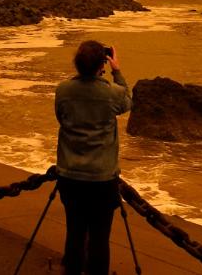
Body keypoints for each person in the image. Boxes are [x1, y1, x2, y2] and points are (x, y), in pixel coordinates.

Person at [54, 41, 132, 275]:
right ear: (103, 63)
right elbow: (128, 101)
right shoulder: (112, 93)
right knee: (100, 237)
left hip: (70, 175)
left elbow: (61, 117)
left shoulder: (63, 90)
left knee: (75, 231)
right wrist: (116, 70)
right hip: (102, 178)